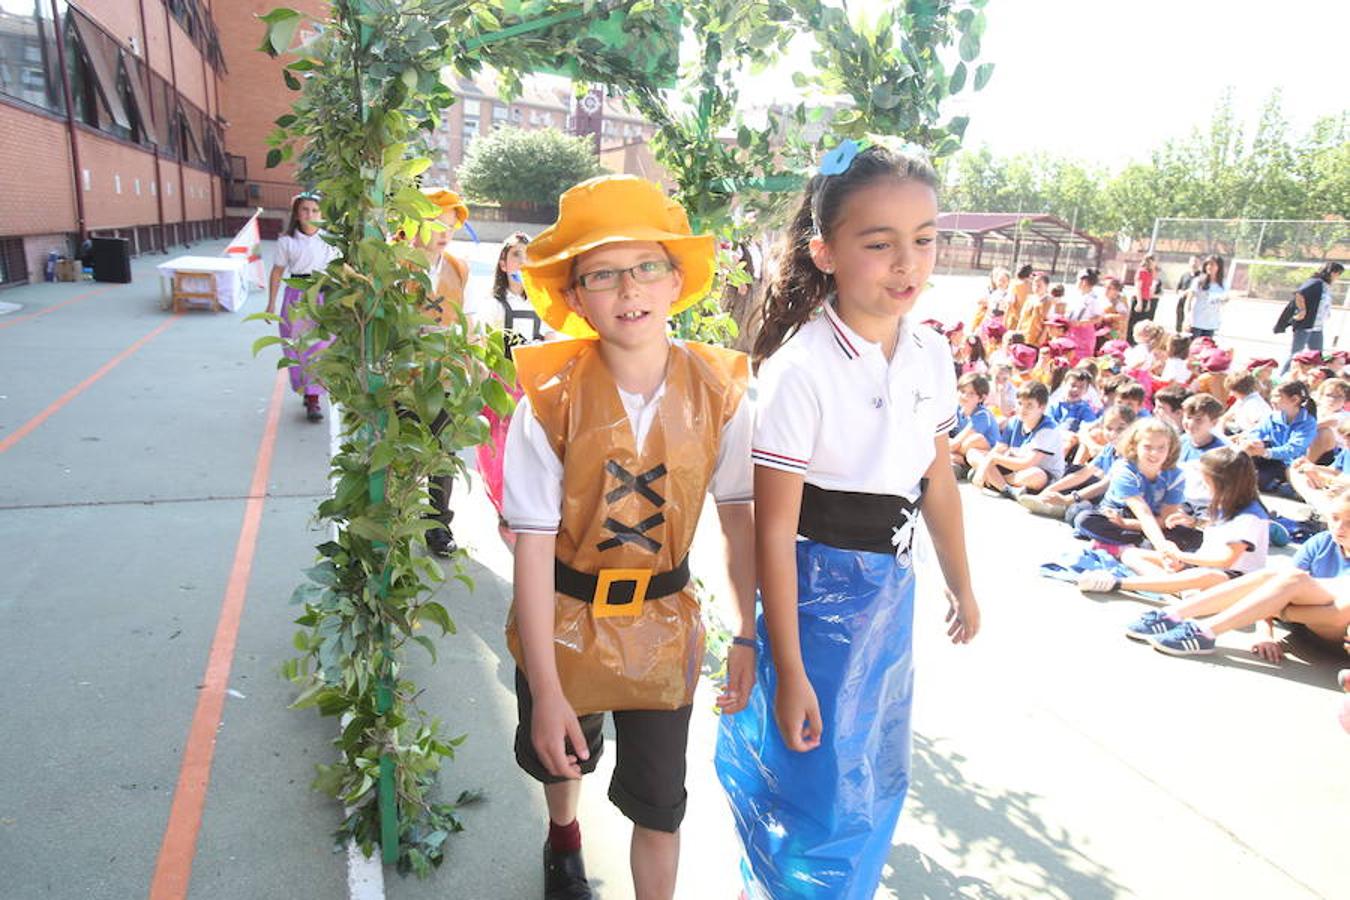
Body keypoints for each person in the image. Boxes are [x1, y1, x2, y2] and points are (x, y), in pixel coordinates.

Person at [714, 141, 980, 900]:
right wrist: (791, 669)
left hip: (888, 594)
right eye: (880, 243)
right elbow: (772, 529)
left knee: (870, 777)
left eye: (925, 239)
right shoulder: (800, 370)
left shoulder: (930, 352)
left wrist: (961, 583)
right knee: (814, 788)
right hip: (814, 599)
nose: (908, 263)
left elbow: (937, 479)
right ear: (825, 252)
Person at [501, 175, 756, 900]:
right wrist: (547, 689)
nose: (628, 288)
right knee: (561, 760)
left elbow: (739, 518)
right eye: (602, 274)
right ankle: (564, 839)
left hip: (664, 627)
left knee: (660, 805)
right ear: (575, 297)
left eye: (646, 266)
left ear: (677, 280)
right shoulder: (547, 403)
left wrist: (746, 630)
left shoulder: (723, 392)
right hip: (564, 615)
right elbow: (529, 545)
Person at [1127, 491, 1349, 658]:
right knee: (1277, 576)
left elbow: (1338, 614)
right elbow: (1279, 587)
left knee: (1304, 585)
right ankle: (1172, 615)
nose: (1339, 527)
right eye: (1335, 517)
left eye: (1349, 522)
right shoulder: (1322, 542)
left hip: (1336, 638)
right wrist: (1265, 633)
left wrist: (1276, 607)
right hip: (1302, 619)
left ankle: (1206, 631)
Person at [1077, 447, 1267, 593]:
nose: (1204, 486)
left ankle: (1118, 584)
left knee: (1208, 576)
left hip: (1231, 578)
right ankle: (1178, 588)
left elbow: (1225, 560)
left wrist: (1179, 556)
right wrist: (1193, 522)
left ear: (1223, 483)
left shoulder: (1250, 516)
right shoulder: (1224, 503)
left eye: (1206, 482)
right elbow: (1219, 530)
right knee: (1132, 555)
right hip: (1199, 565)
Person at [467, 232, 553, 534]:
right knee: (499, 449)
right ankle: (505, 505)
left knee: (534, 450)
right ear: (503, 263)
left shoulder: (543, 307)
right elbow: (479, 347)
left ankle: (528, 505)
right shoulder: (493, 305)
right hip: (501, 386)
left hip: (533, 387)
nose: (522, 261)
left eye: (528, 256)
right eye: (516, 255)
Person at [1072, 418, 1203, 552]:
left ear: (1170, 448)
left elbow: (1166, 519)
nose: (1155, 453)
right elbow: (1143, 512)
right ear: (1134, 446)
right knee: (1084, 519)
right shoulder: (1125, 471)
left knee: (1195, 536)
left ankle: (1128, 545)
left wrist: (1128, 525)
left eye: (1161, 447)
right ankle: (1140, 545)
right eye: (1148, 447)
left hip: (1149, 521)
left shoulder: (1175, 475)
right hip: (1120, 515)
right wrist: (1162, 546)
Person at [266, 192, 339, 422]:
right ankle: (309, 393)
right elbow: (277, 272)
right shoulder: (287, 242)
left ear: (322, 214)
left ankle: (314, 395)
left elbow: (339, 271)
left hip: (322, 296)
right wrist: (271, 303)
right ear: (297, 214)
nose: (310, 215)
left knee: (321, 347)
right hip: (297, 297)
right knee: (299, 348)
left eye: (315, 210)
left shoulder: (329, 240)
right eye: (305, 210)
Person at [968, 381, 1066, 497]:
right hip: (1015, 467)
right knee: (972, 453)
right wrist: (988, 462)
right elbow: (999, 449)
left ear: (1042, 407)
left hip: (1039, 471)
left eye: (1029, 405)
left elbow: (1028, 463)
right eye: (1020, 403)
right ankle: (1007, 489)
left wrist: (989, 463)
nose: (1022, 409)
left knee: (1036, 476)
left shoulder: (1048, 429)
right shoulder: (1014, 421)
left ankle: (994, 480)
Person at [1236, 380, 1318, 493]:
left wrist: (1265, 452)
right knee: (1240, 462)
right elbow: (1256, 431)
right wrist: (1255, 441)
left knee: (1255, 482)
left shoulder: (1308, 422)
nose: (1272, 400)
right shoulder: (1273, 416)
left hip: (1288, 463)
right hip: (1269, 456)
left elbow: (1293, 449)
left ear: (1294, 399)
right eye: (1272, 396)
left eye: (1277, 396)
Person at [1279, 262, 1343, 373]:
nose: (1338, 276)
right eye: (1338, 273)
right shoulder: (1316, 283)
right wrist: (1302, 310)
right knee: (1296, 354)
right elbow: (1299, 294)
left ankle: (1314, 376)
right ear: (1332, 272)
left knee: (1317, 355)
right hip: (1306, 325)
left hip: (1317, 327)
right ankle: (1283, 375)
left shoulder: (1326, 286)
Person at [951, 372, 1002, 473]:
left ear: (982, 398)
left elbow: (954, 444)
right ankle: (959, 463)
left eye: (971, 393)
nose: (964, 396)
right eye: (962, 391)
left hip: (988, 455)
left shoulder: (982, 415)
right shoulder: (957, 410)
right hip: (964, 451)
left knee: (975, 439)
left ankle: (962, 464)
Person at [1183, 255, 1227, 338]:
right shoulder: (1198, 281)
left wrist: (1224, 300)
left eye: (1213, 265)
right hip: (1196, 322)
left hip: (1211, 323)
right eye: (1208, 264)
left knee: (1206, 349)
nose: (1209, 267)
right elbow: (1188, 300)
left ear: (1219, 267)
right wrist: (1186, 319)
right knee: (1192, 347)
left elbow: (1223, 300)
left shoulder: (1223, 284)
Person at [1127, 254, 1158, 335]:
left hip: (1145, 299)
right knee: (1134, 322)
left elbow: (1149, 289)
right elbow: (1138, 287)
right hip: (1139, 299)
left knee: (1142, 323)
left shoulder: (1150, 273)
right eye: (1153, 261)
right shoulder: (1141, 271)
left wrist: (1148, 302)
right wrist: (1139, 302)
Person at [1173, 255, 1201, 333]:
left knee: (1189, 326)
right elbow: (1178, 288)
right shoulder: (1185, 275)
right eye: (1192, 261)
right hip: (1182, 302)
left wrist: (1187, 292)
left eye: (1196, 262)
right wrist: (1180, 292)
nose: (1193, 264)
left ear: (1199, 264)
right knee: (1179, 323)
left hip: (1192, 304)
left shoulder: (1201, 277)